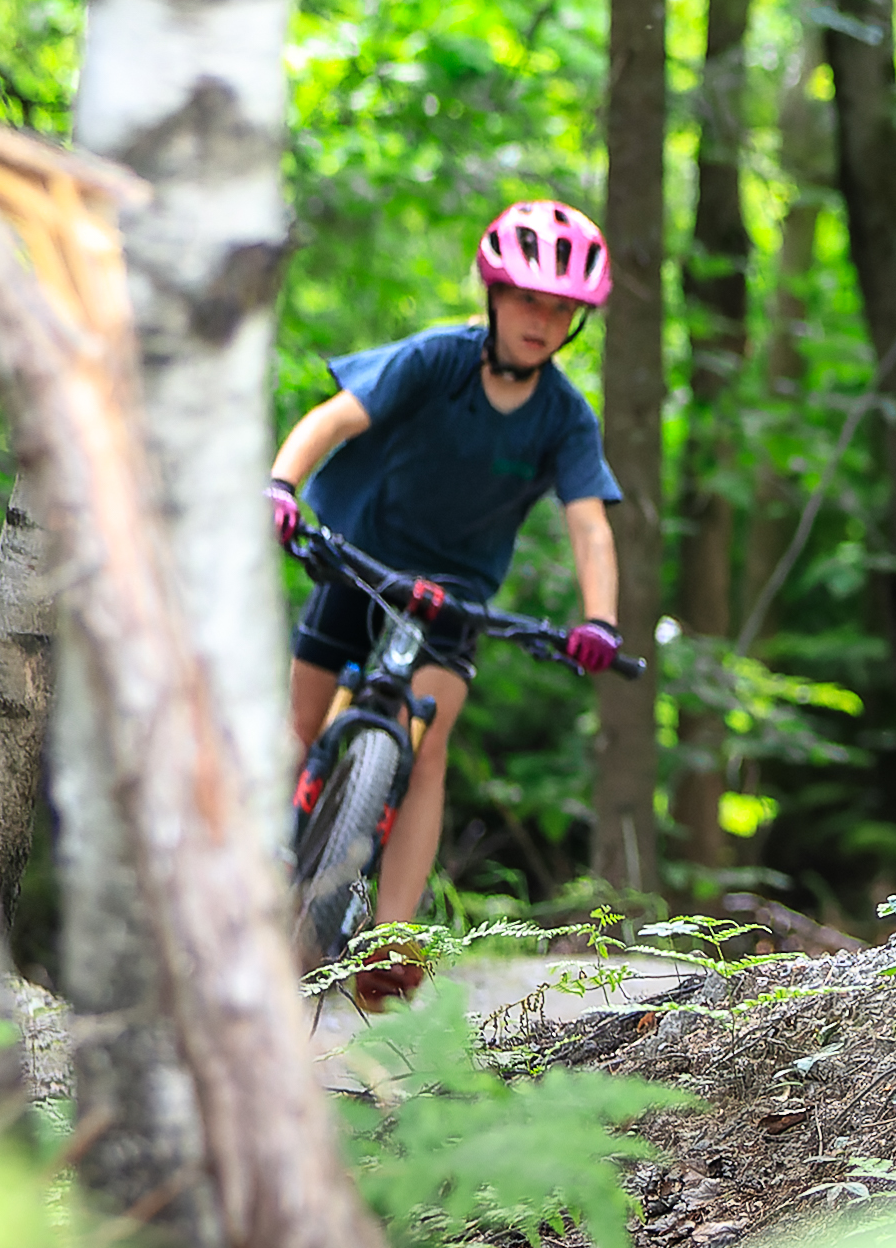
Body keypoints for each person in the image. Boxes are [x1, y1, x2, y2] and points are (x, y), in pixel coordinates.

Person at [262, 196, 633, 1005]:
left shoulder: (566, 417)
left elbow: (589, 526)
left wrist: (598, 620)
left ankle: (389, 942)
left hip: (454, 595)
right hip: (359, 558)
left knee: (427, 748)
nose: (542, 320)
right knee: (296, 723)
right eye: (529, 299)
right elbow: (334, 419)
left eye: (561, 308)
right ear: (495, 294)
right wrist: (281, 486)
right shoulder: (437, 359)